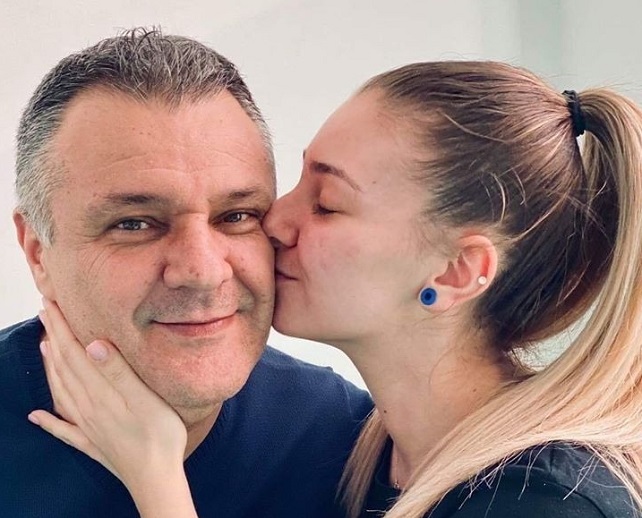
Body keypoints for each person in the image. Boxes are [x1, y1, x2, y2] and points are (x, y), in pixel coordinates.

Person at [30, 60, 642, 518]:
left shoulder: (548, 499)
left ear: (455, 272)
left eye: (325, 203)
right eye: (134, 223)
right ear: (36, 251)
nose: (273, 222)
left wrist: (156, 479)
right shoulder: (369, 455)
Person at [1, 28, 373, 518]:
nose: (202, 272)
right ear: (37, 253)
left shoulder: (342, 439)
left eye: (237, 216)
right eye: (134, 224)